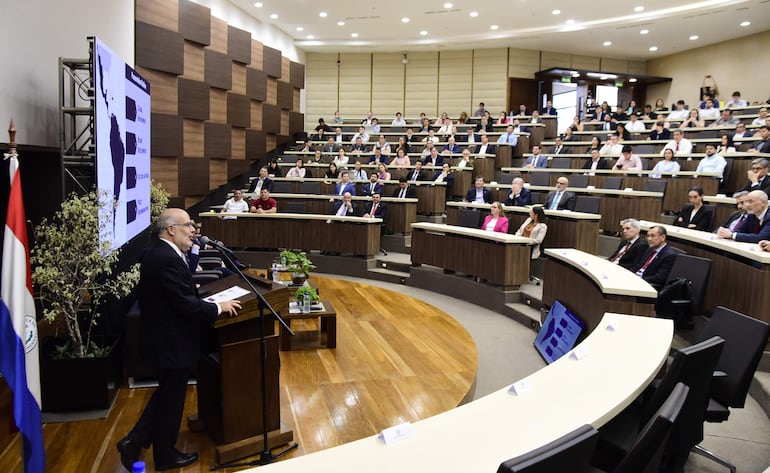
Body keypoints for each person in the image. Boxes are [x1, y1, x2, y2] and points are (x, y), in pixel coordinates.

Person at [116, 209, 241, 472]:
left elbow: (174, 292)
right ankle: (161, 454)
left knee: (168, 395)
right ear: (170, 229)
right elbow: (183, 305)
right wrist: (219, 308)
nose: (193, 230)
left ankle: (137, 442)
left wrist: (192, 291)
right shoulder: (166, 258)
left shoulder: (160, 252)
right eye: (188, 225)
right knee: (170, 399)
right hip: (171, 339)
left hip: (166, 336)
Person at [633, 225, 677, 290]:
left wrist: (638, 279)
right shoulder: (649, 249)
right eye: (648, 236)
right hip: (637, 279)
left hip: (649, 286)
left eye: (653, 236)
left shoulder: (669, 255)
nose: (649, 239)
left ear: (663, 237)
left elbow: (659, 278)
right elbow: (638, 266)